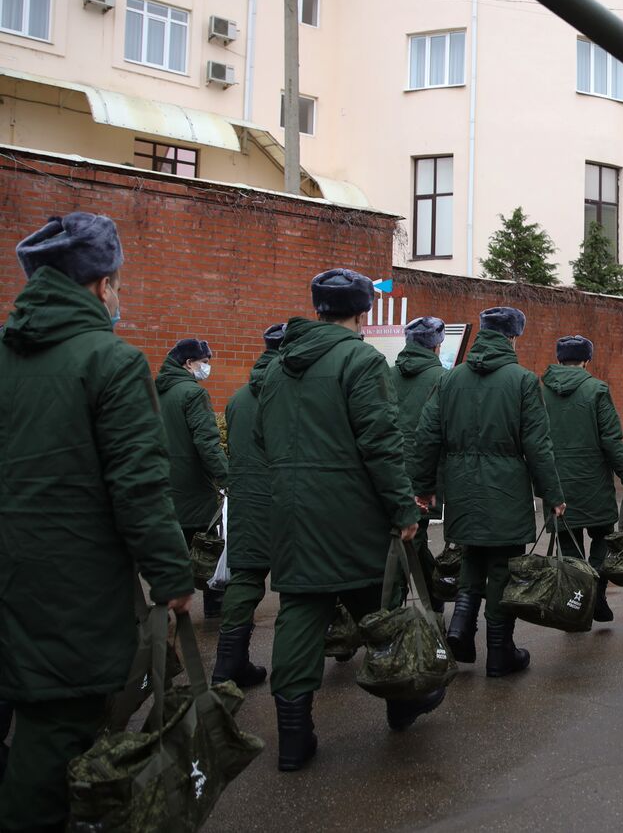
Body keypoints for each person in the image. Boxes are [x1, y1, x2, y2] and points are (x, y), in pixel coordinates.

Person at [0, 213, 194, 831]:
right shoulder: (110, 361)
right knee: (55, 731)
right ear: (97, 284)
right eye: (116, 283)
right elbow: (138, 484)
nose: (119, 295)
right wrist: (171, 578)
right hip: (70, 587)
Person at [256, 269, 439, 772]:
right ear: (362, 313)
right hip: (350, 511)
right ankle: (403, 702)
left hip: (291, 511)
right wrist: (403, 510)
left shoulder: (275, 367)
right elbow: (380, 442)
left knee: (299, 611)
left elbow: (261, 440)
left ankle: (294, 737)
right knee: (378, 608)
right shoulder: (360, 359)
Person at [414, 306, 566, 677]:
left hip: (462, 488)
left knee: (472, 555)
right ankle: (500, 653)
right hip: (506, 489)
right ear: (513, 337)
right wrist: (553, 494)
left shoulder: (450, 379)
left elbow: (427, 435)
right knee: (501, 567)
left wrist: (423, 487)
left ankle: (460, 631)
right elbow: (538, 445)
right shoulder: (523, 381)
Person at [539, 335, 623, 623]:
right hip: (593, 480)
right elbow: (611, 439)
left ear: (559, 359)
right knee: (602, 537)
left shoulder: (540, 392)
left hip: (557, 482)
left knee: (568, 544)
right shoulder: (596, 389)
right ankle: (597, 594)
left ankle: (577, 603)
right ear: (587, 360)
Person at [211, 323, 285, 689]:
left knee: (245, 578)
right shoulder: (289, 393)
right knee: (301, 584)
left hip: (246, 498)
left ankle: (227, 665)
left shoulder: (239, 398)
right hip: (286, 497)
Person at [156, 335, 229, 619]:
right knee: (210, 549)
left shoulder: (155, 390)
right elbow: (207, 444)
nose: (207, 367)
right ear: (188, 363)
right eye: (204, 362)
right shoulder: (193, 394)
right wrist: (227, 479)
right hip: (194, 490)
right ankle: (214, 608)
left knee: (173, 550)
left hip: (163, 486)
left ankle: (169, 608)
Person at [391, 315, 449, 613]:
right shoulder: (443, 379)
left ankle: (434, 596)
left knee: (409, 538)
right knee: (411, 540)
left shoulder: (387, 374)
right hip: (425, 477)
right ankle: (390, 611)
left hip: (387, 473)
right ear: (437, 345)